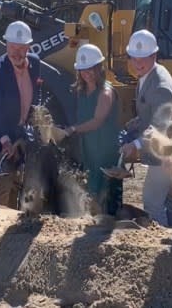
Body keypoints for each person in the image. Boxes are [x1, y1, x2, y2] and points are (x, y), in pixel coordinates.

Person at [119, 30, 172, 227]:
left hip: (164, 153)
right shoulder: (148, 75)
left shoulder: (161, 85)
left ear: (154, 55)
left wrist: (136, 145)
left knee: (152, 203)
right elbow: (151, 112)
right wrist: (137, 122)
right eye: (134, 59)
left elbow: (160, 127)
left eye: (143, 59)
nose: (138, 64)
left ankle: (158, 248)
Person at [0, 21, 43, 209]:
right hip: (0, 136)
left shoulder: (35, 63)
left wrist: (36, 118)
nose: (16, 53)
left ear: (28, 47)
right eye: (12, 47)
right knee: (4, 181)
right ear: (6, 44)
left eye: (21, 48)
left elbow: (35, 95)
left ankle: (14, 224)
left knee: (20, 183)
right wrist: (4, 139)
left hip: (22, 132)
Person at [65, 44, 122, 217]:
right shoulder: (81, 91)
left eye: (90, 69)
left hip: (105, 150)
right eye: (83, 69)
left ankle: (109, 226)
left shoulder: (105, 93)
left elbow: (97, 121)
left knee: (106, 192)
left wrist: (72, 129)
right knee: (91, 189)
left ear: (99, 68)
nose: (86, 73)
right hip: (90, 149)